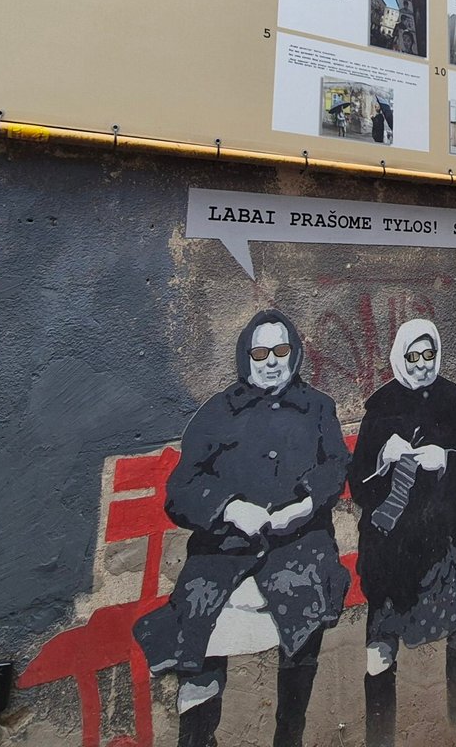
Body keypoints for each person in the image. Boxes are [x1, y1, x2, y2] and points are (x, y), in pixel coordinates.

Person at [134, 311, 350, 747]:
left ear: (295, 354)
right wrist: (230, 509)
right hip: (223, 552)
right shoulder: (217, 412)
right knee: (196, 616)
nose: (271, 361)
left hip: (299, 546)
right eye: (260, 352)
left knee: (305, 605)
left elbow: (336, 466)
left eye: (281, 351)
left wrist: (305, 505)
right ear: (245, 357)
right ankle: (198, 736)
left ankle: (289, 734)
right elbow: (181, 489)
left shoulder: (318, 407)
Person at [349, 321, 456, 744]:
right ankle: (381, 732)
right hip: (395, 541)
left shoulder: (452, 398)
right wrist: (383, 463)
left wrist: (444, 458)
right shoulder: (381, 408)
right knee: (382, 637)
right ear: (400, 357)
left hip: (445, 529)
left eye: (429, 356)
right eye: (414, 357)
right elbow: (358, 489)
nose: (423, 365)